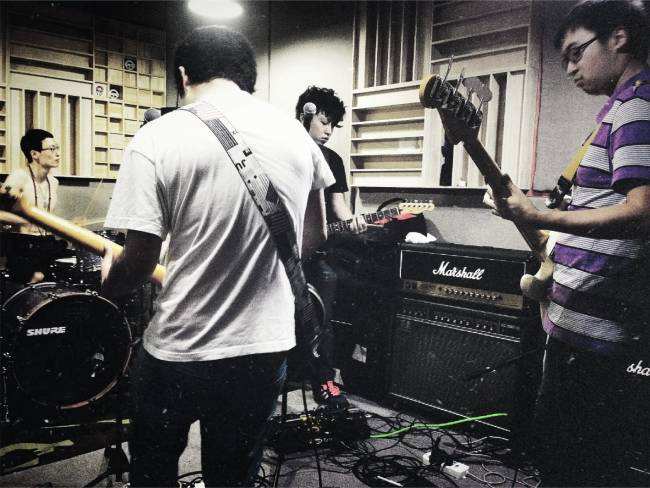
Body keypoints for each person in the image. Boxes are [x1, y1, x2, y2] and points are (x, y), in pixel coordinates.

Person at [100, 26, 334, 487]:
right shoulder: (298, 137)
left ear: (183, 75)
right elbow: (314, 237)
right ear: (248, 78)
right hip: (262, 348)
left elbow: (140, 263)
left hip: (179, 347)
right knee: (234, 475)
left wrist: (112, 280)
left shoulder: (157, 137)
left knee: (153, 470)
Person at [485, 1, 650, 485]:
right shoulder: (619, 110)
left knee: (572, 467)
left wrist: (536, 215)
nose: (571, 68)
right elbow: (591, 210)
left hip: (596, 337)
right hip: (577, 324)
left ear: (619, 37)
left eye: (577, 52)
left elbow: (642, 212)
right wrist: (529, 211)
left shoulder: (638, 107)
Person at [295, 86, 366, 408]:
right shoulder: (288, 151)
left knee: (322, 320)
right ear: (306, 115)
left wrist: (354, 221)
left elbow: (338, 207)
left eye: (333, 126)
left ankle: (324, 382)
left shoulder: (333, 160)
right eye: (324, 122)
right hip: (283, 254)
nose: (328, 131)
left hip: (318, 254)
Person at [1, 128, 61, 284]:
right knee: (37, 278)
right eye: (52, 149)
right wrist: (23, 222)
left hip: (46, 243)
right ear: (34, 154)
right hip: (22, 246)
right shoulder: (18, 177)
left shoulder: (54, 182)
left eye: (57, 148)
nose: (57, 154)